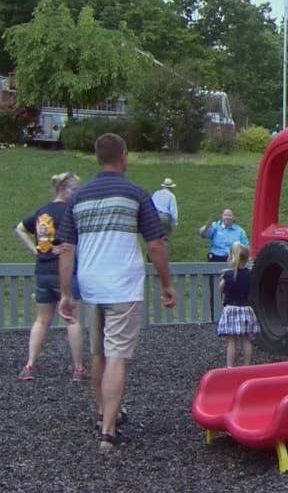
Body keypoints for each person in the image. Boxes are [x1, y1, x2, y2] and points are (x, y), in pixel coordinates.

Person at [58, 133, 176, 453]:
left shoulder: (77, 198)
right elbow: (154, 243)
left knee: (98, 352)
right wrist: (166, 284)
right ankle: (108, 432)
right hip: (123, 284)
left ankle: (101, 412)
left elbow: (66, 247)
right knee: (117, 356)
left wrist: (66, 292)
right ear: (123, 156)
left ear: (98, 158)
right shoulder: (136, 194)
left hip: (92, 284)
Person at [15, 172, 86, 383]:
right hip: (63, 273)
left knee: (41, 320)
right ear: (64, 189)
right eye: (74, 189)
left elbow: (20, 229)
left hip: (42, 271)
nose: (77, 193)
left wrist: (37, 251)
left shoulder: (42, 211)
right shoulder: (70, 212)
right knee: (72, 319)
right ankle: (78, 368)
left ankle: (29, 366)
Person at [217, 241, 259, 367]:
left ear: (232, 257)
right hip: (245, 309)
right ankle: (246, 366)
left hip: (231, 309)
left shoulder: (228, 275)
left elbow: (221, 289)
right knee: (246, 339)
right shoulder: (249, 274)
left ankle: (230, 367)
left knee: (231, 341)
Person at [151, 177, 178, 253]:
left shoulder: (156, 193)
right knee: (165, 238)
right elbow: (173, 212)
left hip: (154, 216)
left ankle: (151, 257)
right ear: (171, 188)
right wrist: (174, 224)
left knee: (154, 238)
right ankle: (163, 257)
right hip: (164, 217)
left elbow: (150, 205)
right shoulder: (171, 196)